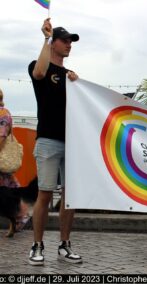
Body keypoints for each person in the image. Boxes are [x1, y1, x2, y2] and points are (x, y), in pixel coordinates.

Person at [27, 18, 82, 266]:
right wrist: (45, 39)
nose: (69, 44)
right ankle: (37, 245)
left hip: (71, 142)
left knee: (70, 196)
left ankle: (65, 244)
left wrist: (79, 86)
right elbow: (39, 73)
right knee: (45, 194)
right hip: (48, 140)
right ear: (54, 43)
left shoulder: (71, 76)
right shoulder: (39, 66)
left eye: (72, 41)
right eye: (66, 40)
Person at [0, 89, 30, 233]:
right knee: (11, 187)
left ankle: (21, 217)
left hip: (1, 155)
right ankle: (21, 217)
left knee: (9, 189)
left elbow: (2, 136)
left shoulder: (3, 114)